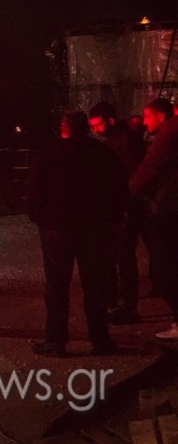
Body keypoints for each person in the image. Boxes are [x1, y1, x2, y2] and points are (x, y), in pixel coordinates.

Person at [25, 111, 127, 357]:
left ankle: (56, 341)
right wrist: (111, 219)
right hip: (94, 229)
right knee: (95, 286)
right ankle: (100, 340)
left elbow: (35, 190)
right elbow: (119, 188)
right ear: (87, 128)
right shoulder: (102, 153)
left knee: (57, 286)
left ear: (64, 129)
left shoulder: (50, 154)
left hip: (57, 229)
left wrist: (39, 217)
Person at [88, 102, 147, 324]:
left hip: (125, 207)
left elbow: (132, 176)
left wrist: (124, 205)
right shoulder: (115, 141)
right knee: (115, 255)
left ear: (110, 121)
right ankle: (118, 299)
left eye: (97, 124)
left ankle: (129, 307)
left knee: (124, 257)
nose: (95, 129)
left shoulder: (127, 142)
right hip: (115, 206)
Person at [129, 98, 178, 340]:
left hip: (170, 209)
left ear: (160, 115)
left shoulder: (169, 133)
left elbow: (150, 169)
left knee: (165, 268)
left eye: (148, 116)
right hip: (170, 205)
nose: (145, 120)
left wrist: (126, 196)